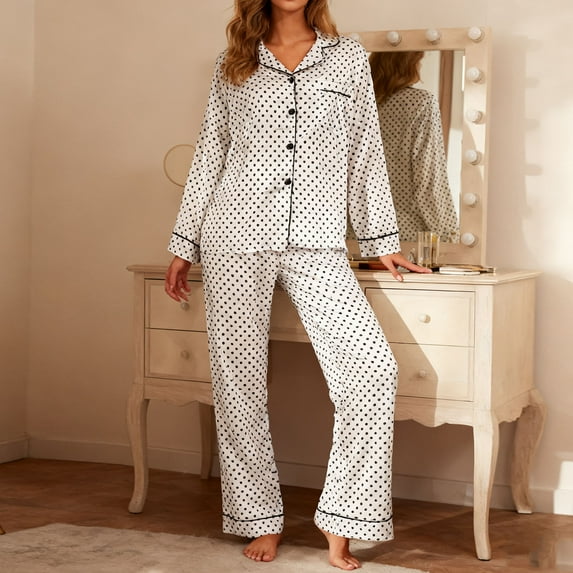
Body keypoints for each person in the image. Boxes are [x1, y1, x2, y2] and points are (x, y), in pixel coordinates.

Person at [165, 0, 430, 569]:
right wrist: (184, 243)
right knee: (238, 385)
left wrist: (381, 239)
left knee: (370, 371)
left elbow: (365, 152)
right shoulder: (234, 62)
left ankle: (344, 520)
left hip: (319, 240)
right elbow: (211, 153)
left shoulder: (347, 58)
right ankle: (258, 518)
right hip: (234, 233)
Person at [369, 51, 459, 243]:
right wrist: (449, 235)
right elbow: (429, 178)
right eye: (418, 62)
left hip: (351, 237)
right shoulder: (420, 103)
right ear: (408, 66)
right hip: (405, 237)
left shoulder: (351, 103)